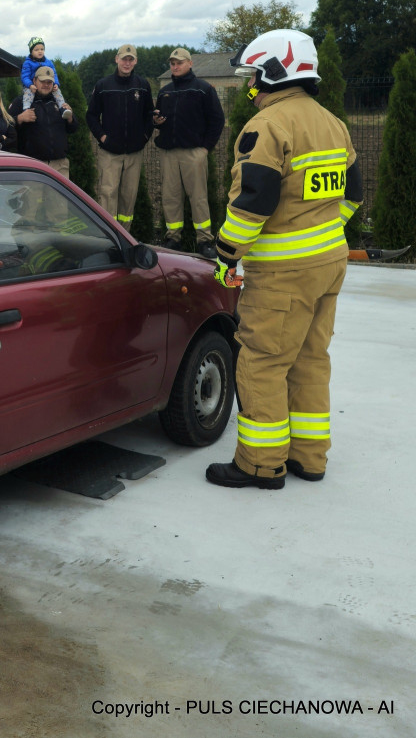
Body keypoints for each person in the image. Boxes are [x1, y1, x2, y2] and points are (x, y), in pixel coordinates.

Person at [205, 29, 363, 490]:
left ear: (274, 71)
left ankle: (260, 464)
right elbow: (353, 194)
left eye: (254, 74)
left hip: (282, 273)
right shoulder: (333, 122)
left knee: (262, 362)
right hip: (330, 262)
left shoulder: (268, 126)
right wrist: (326, 231)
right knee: (312, 359)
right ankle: (310, 458)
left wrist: (226, 256)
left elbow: (252, 202)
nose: (251, 84)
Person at [154, 47, 225, 257]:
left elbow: (217, 120)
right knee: (170, 197)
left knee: (198, 197)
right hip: (169, 153)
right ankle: (172, 238)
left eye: (179, 63)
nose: (175, 67)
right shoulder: (165, 91)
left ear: (190, 63)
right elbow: (159, 119)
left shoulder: (203, 89)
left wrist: (205, 148)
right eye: (172, 64)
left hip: (194, 152)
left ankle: (204, 240)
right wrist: (156, 121)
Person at [85, 44, 154, 229]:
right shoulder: (103, 85)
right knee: (108, 195)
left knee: (129, 197)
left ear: (135, 61)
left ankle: (125, 236)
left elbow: (150, 115)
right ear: (117, 59)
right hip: (109, 153)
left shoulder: (143, 85)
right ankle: (109, 237)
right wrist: (102, 137)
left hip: (134, 153)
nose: (127, 62)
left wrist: (144, 137)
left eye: (131, 59)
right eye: (124, 59)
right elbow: (91, 115)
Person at [7, 66, 78, 177]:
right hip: (32, 165)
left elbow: (73, 129)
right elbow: (5, 127)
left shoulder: (59, 102)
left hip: (59, 165)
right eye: (43, 81)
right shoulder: (21, 101)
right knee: (34, 195)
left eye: (49, 82)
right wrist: (19, 119)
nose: (46, 84)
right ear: (34, 81)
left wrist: (70, 118)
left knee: (58, 195)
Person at [21, 37, 73, 121]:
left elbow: (54, 74)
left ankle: (63, 108)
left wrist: (56, 83)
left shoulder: (48, 62)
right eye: (36, 49)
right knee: (28, 93)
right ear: (31, 51)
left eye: (42, 49)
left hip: (47, 83)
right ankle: (26, 109)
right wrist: (30, 85)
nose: (40, 51)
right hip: (31, 86)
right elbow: (24, 76)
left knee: (57, 92)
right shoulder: (27, 63)